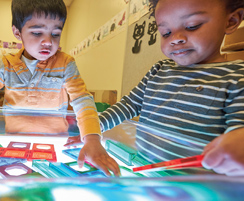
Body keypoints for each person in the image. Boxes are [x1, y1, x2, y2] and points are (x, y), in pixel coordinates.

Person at [0, 0, 119, 176]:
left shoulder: (65, 64)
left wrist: (92, 138)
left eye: (56, 34)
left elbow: (83, 100)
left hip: (56, 143)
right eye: (37, 32)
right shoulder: (5, 65)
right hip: (15, 142)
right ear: (17, 32)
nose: (48, 42)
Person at [99, 0, 244, 176]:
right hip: (146, 171)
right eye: (166, 33)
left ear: (231, 21)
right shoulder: (158, 71)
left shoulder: (236, 76)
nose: (175, 38)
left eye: (192, 26)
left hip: (196, 186)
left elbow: (238, 131)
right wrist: (92, 127)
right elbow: (129, 104)